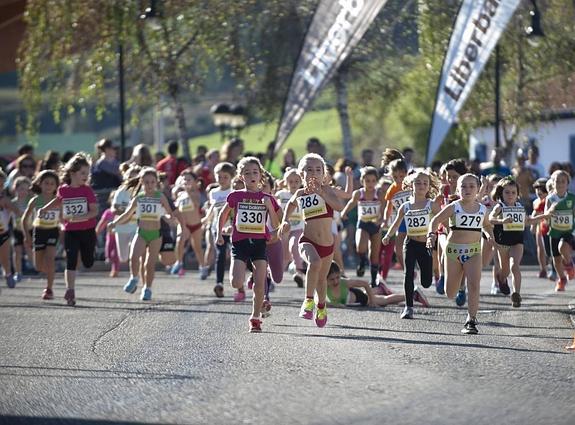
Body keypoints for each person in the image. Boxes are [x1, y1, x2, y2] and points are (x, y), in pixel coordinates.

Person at [216, 157, 280, 333]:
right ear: (241, 177)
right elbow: (223, 214)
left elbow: (276, 224)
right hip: (240, 243)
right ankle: (240, 276)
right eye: (247, 173)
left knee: (260, 284)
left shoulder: (267, 198)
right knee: (236, 281)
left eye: (255, 172)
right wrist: (218, 233)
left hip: (259, 243)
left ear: (261, 176)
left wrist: (270, 207)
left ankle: (255, 318)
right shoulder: (236, 196)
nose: (251, 175)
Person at [279, 153, 343, 328]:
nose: (314, 173)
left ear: (324, 174)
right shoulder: (300, 193)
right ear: (301, 175)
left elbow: (339, 207)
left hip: (327, 246)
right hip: (307, 240)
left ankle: (321, 306)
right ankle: (308, 301)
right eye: (309, 170)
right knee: (314, 263)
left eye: (318, 169)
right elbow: (291, 205)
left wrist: (321, 192)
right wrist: (285, 220)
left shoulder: (327, 191)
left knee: (322, 280)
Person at [427, 173, 492, 334]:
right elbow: (435, 221)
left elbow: (487, 225)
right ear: (458, 189)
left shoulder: (482, 209)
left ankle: (471, 320)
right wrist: (431, 235)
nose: (467, 189)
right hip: (453, 252)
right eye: (463, 186)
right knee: (450, 293)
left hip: (473, 252)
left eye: (471, 186)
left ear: (478, 190)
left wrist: (489, 234)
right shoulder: (453, 207)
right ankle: (451, 279)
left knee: (475, 285)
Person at [109, 167, 184, 301]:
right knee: (134, 256)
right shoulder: (139, 198)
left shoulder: (160, 197)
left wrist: (169, 218)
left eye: (152, 182)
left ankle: (147, 289)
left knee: (149, 264)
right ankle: (134, 278)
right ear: (141, 183)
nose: (149, 185)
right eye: (146, 182)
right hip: (142, 232)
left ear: (156, 183)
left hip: (156, 235)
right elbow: (127, 214)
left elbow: (169, 212)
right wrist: (114, 223)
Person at [39, 153, 99, 306]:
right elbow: (58, 201)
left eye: (88, 173)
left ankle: (87, 257)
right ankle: (70, 290)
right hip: (71, 231)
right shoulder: (63, 190)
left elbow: (94, 211)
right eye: (83, 173)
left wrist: (81, 217)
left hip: (88, 230)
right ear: (72, 173)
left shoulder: (87, 191)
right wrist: (45, 209)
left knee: (88, 262)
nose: (86, 176)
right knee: (70, 260)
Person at [382, 170, 440, 318]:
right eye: (418, 182)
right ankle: (408, 307)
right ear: (411, 185)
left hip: (426, 245)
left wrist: (448, 233)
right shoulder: (405, 206)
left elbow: (442, 222)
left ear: (429, 187)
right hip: (411, 243)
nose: (421, 185)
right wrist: (388, 236)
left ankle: (420, 287)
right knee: (408, 274)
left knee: (426, 282)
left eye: (425, 183)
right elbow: (395, 224)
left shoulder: (432, 205)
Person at [489, 177, 548, 307]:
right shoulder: (500, 207)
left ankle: (516, 294)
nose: (510, 195)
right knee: (505, 270)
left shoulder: (520, 207)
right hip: (502, 242)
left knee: (515, 266)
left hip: (517, 241)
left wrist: (543, 216)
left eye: (513, 192)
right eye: (507, 192)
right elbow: (490, 219)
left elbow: (528, 221)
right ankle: (502, 279)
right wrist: (502, 221)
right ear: (501, 193)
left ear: (517, 194)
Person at [341, 166, 385, 288]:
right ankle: (361, 261)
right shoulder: (358, 193)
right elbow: (351, 203)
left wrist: (381, 220)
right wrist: (344, 212)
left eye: (373, 181)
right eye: (367, 181)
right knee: (361, 247)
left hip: (375, 225)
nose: (370, 184)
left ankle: (373, 279)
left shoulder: (379, 193)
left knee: (374, 253)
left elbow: (384, 210)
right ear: (362, 181)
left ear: (376, 181)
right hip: (363, 223)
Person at [21, 170, 60, 299]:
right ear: (40, 184)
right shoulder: (35, 200)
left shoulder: (58, 200)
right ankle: (51, 272)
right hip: (39, 231)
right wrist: (27, 236)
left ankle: (49, 289)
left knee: (50, 259)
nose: (49, 186)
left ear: (56, 186)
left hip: (53, 231)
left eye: (52, 184)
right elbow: (24, 219)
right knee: (38, 266)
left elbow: (65, 217)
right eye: (46, 183)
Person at [326, 261, 428, 308]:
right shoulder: (323, 287)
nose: (335, 281)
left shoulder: (344, 282)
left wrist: (372, 301)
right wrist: (335, 305)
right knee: (375, 295)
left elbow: (365, 283)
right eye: (331, 279)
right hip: (355, 296)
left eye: (337, 277)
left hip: (361, 298)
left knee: (385, 300)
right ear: (324, 279)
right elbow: (319, 302)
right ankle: (380, 288)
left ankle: (413, 295)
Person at [202, 162, 235, 297]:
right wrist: (207, 219)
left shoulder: (234, 192)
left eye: (225, 177)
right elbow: (213, 208)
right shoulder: (213, 192)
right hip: (218, 228)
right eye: (219, 177)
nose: (222, 180)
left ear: (232, 177)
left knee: (237, 255)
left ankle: (240, 283)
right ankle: (219, 283)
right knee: (220, 255)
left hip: (233, 228)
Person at [171, 170, 208, 279]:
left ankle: (203, 267)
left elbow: (196, 204)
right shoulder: (180, 194)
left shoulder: (196, 193)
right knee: (179, 241)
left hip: (195, 225)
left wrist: (187, 192)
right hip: (183, 224)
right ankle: (179, 263)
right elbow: (177, 208)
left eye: (189, 179)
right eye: (184, 179)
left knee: (197, 247)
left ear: (195, 182)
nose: (186, 181)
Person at [544, 169, 575, 291]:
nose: (560, 184)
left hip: (568, 231)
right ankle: (562, 279)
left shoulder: (572, 198)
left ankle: (569, 265)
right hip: (554, 232)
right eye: (557, 181)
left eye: (563, 181)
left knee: (563, 247)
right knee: (556, 260)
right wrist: (550, 212)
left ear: (567, 183)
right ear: (553, 183)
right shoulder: (550, 199)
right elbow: (546, 217)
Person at [275, 168, 305, 287]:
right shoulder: (282, 194)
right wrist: (277, 187)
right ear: (286, 182)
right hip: (285, 228)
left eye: (296, 181)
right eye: (290, 182)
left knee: (294, 247)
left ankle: (299, 272)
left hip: (298, 227)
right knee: (284, 255)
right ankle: (275, 276)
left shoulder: (303, 194)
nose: (293, 184)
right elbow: (273, 200)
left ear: (301, 182)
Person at [382, 150, 410, 274]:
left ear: (406, 173)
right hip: (401, 221)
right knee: (398, 248)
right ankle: (407, 271)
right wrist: (385, 221)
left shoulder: (411, 184)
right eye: (395, 177)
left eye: (401, 176)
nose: (398, 180)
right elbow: (388, 207)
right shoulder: (392, 189)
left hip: (416, 219)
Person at [11, 176, 33, 282]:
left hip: (30, 229)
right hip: (17, 230)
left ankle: (37, 268)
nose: (23, 191)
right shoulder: (13, 203)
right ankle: (18, 272)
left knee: (30, 250)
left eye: (26, 189)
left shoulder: (31, 201)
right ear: (15, 189)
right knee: (17, 251)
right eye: (21, 189)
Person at [531, 178, 551, 279]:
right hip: (540, 225)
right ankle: (543, 268)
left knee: (550, 249)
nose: (539, 192)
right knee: (540, 247)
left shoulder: (551, 199)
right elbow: (535, 214)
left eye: (542, 189)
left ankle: (552, 266)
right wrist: (533, 226)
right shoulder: (535, 201)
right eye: (537, 189)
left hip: (551, 226)